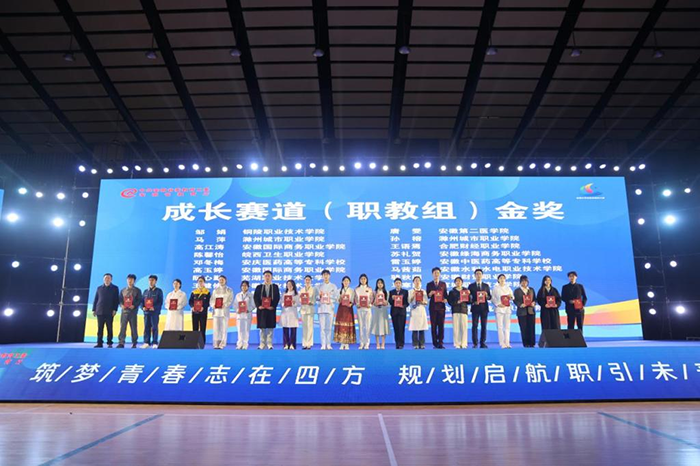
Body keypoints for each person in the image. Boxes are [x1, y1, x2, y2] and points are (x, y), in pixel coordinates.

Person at [254, 270, 280, 350]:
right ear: (263, 277)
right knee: (262, 328)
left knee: (270, 328)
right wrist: (258, 306)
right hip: (262, 310)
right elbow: (255, 297)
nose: (267, 277)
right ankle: (262, 344)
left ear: (271, 277)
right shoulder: (259, 287)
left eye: (269, 276)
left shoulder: (275, 287)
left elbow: (277, 297)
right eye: (266, 276)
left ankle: (269, 344)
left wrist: (273, 306)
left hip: (271, 310)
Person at [92, 273, 120, 348]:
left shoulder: (115, 288)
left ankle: (109, 342)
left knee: (109, 327)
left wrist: (115, 309)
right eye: (105, 278)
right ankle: (99, 342)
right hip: (99, 310)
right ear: (103, 279)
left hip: (110, 311)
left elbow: (116, 300)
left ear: (111, 279)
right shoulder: (99, 288)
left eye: (108, 278)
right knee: (100, 328)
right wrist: (94, 309)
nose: (107, 279)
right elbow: (96, 299)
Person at [468, 269, 491, 348]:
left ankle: (483, 342)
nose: (478, 275)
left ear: (482, 275)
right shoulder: (471, 286)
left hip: (484, 308)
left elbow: (489, 297)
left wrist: (486, 295)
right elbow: (468, 298)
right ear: (475, 275)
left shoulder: (486, 286)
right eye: (477, 274)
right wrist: (474, 302)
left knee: (484, 326)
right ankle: (475, 343)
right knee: (474, 325)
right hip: (475, 307)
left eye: (480, 274)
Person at [536, 275, 562, 348]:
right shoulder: (541, 290)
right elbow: (539, 300)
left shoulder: (554, 290)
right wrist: (544, 304)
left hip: (554, 311)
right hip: (545, 311)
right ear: (544, 281)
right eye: (546, 280)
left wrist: (557, 305)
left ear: (551, 281)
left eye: (549, 280)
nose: (548, 281)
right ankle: (545, 342)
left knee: (555, 325)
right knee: (546, 326)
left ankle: (556, 342)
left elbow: (559, 299)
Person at [316, 269, 339, 350]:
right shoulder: (318, 287)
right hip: (321, 309)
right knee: (322, 328)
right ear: (322, 276)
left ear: (329, 276)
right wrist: (320, 296)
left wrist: (330, 300)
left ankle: (328, 344)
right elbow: (316, 298)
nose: (325, 276)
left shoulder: (333, 286)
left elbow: (336, 298)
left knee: (329, 328)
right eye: (324, 275)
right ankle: (323, 344)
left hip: (330, 309)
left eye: (327, 275)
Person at [117, 274, 141, 349]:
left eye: (131, 279)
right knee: (122, 327)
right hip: (124, 312)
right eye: (128, 279)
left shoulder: (137, 290)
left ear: (134, 281)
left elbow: (139, 300)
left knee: (133, 328)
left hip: (133, 312)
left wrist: (134, 305)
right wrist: (121, 305)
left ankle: (134, 343)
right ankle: (121, 342)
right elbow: (120, 300)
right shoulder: (123, 290)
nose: (130, 281)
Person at [426, 267, 448, 349]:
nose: (436, 274)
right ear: (432, 274)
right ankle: (435, 343)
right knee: (434, 326)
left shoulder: (443, 284)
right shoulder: (429, 284)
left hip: (441, 307)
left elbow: (445, 295)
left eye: (438, 273)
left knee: (441, 326)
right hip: (433, 308)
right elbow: (427, 296)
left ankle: (441, 342)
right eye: (435, 273)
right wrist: (430, 294)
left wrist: (446, 299)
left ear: (440, 274)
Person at [491, 274, 513, 349]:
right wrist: (498, 304)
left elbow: (512, 297)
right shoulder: (495, 288)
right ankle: (502, 343)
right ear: (498, 280)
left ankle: (507, 342)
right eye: (500, 278)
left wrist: (511, 296)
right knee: (500, 327)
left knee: (507, 327)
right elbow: (493, 298)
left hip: (507, 309)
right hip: (499, 309)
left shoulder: (508, 288)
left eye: (503, 278)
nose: (502, 279)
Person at [211, 275, 234, 349]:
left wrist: (225, 305)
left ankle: (222, 344)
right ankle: (216, 344)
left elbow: (230, 300)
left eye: (222, 280)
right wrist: (213, 305)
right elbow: (212, 300)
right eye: (220, 280)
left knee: (223, 329)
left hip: (224, 312)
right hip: (216, 312)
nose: (221, 281)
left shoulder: (229, 290)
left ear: (225, 280)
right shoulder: (215, 290)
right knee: (216, 329)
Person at [333, 276, 356, 349]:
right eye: (344, 281)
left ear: (349, 282)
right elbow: (337, 300)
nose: (346, 282)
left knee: (347, 325)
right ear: (342, 282)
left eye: (347, 281)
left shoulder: (352, 291)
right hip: (341, 309)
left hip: (348, 309)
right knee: (341, 326)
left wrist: (351, 304)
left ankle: (347, 343)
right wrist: (339, 298)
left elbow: (354, 300)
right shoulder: (339, 290)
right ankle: (342, 342)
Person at [513, 275, 536, 348]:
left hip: (531, 311)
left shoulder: (531, 290)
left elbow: (535, 299)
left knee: (531, 328)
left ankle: (532, 343)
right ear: (520, 282)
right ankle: (525, 343)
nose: (524, 282)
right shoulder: (517, 291)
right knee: (523, 328)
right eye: (522, 281)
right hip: (522, 312)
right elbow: (515, 300)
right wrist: (520, 304)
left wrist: (534, 303)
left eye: (526, 281)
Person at [141, 275, 163, 348]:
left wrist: (154, 307)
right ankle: (146, 342)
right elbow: (142, 301)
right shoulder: (145, 291)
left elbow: (160, 302)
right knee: (146, 327)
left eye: (152, 280)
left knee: (154, 327)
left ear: (155, 281)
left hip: (154, 313)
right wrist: (143, 307)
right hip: (146, 313)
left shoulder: (159, 291)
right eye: (150, 280)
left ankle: (155, 342)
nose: (151, 282)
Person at [447, 276, 470, 349]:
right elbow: (450, 302)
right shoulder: (452, 292)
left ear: (462, 282)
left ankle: (464, 343)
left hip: (463, 310)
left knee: (464, 328)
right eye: (457, 281)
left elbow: (469, 301)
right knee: (456, 328)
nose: (458, 282)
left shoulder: (466, 291)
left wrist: (469, 295)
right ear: (455, 283)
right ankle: (457, 343)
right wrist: (457, 302)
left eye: (459, 281)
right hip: (455, 311)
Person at [189, 276, 211, 346]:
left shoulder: (207, 292)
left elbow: (208, 302)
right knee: (195, 328)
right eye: (199, 281)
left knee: (202, 328)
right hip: (195, 312)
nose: (200, 282)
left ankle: (202, 343)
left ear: (204, 282)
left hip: (203, 313)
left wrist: (203, 307)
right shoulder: (194, 292)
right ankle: (194, 343)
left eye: (201, 281)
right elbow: (190, 301)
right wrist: (192, 306)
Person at [408, 276, 429, 349]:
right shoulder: (410, 291)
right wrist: (413, 296)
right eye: (416, 280)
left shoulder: (423, 291)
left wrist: (423, 302)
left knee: (422, 327)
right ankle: (415, 344)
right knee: (414, 328)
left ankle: (422, 343)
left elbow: (426, 302)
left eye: (418, 280)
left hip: (421, 310)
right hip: (414, 310)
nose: (417, 282)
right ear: (413, 282)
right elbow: (409, 301)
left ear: (420, 282)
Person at [355, 273, 374, 350]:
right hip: (360, 310)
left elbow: (372, 299)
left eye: (364, 279)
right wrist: (357, 304)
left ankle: (367, 343)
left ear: (366, 280)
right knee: (361, 326)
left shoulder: (370, 289)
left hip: (367, 309)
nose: (363, 280)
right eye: (361, 279)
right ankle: (361, 343)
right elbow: (355, 299)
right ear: (359, 280)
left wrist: (370, 305)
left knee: (367, 326)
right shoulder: (357, 289)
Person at [370, 278, 390, 349]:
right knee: (377, 327)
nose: (380, 284)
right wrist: (374, 304)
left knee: (384, 327)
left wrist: (386, 303)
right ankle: (378, 344)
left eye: (381, 283)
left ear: (383, 284)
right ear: (376, 284)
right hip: (376, 311)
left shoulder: (386, 292)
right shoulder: (374, 292)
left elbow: (389, 304)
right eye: (378, 283)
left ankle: (383, 344)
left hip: (383, 311)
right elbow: (371, 303)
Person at [389, 278, 409, 349]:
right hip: (394, 312)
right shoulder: (391, 292)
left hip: (402, 312)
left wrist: (403, 306)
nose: (398, 284)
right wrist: (392, 298)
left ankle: (401, 343)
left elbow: (407, 303)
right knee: (396, 328)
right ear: (394, 284)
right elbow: (390, 302)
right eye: (396, 283)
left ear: (401, 284)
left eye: (399, 283)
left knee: (401, 328)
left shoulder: (405, 292)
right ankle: (397, 343)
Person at [234, 280, 255, 350]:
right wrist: (237, 310)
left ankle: (245, 344)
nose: (244, 287)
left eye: (245, 285)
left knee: (246, 330)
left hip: (247, 315)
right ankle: (239, 344)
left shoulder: (251, 295)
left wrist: (248, 309)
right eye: (242, 285)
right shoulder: (238, 295)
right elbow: (235, 305)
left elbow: (253, 305)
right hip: (239, 315)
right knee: (239, 330)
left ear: (248, 287)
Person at [281, 280, 300, 350]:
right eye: (288, 284)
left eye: (290, 285)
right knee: (285, 329)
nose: (289, 286)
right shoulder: (284, 294)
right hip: (285, 313)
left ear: (293, 286)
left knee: (293, 329)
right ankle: (286, 344)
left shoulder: (296, 294)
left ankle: (292, 344)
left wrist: (294, 303)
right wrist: (284, 304)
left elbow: (299, 304)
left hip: (293, 313)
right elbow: (281, 302)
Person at [299, 275, 317, 350]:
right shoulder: (301, 290)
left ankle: (309, 344)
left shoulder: (313, 289)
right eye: (306, 279)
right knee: (304, 327)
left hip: (310, 309)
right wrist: (301, 301)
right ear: (304, 280)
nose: (307, 281)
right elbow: (299, 299)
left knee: (310, 327)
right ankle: (304, 343)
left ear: (311, 281)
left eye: (309, 280)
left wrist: (311, 302)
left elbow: (315, 299)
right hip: (303, 310)